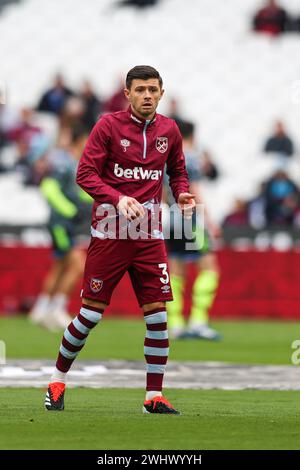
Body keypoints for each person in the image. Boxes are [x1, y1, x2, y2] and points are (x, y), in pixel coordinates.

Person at [45, 65, 195, 415]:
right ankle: (56, 380)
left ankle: (153, 396)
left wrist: (183, 194)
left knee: (158, 316)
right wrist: (117, 198)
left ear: (161, 93)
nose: (147, 95)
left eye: (153, 90)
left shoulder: (170, 130)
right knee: (89, 316)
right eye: (140, 89)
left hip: (149, 236)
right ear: (127, 94)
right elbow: (85, 174)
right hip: (109, 233)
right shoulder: (108, 126)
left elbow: (177, 171)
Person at [30, 128, 92, 331]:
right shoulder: (64, 163)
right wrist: (69, 210)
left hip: (67, 224)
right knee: (77, 265)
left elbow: (79, 193)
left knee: (60, 266)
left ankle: (41, 309)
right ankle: (57, 308)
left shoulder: (75, 163)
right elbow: (48, 187)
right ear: (80, 140)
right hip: (60, 223)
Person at [164, 121, 221, 340]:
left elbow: (161, 191)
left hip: (171, 218)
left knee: (176, 270)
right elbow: (193, 189)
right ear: (193, 136)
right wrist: (210, 222)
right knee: (209, 267)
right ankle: (198, 321)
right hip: (191, 219)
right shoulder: (191, 157)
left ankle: (176, 323)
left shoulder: (166, 156)